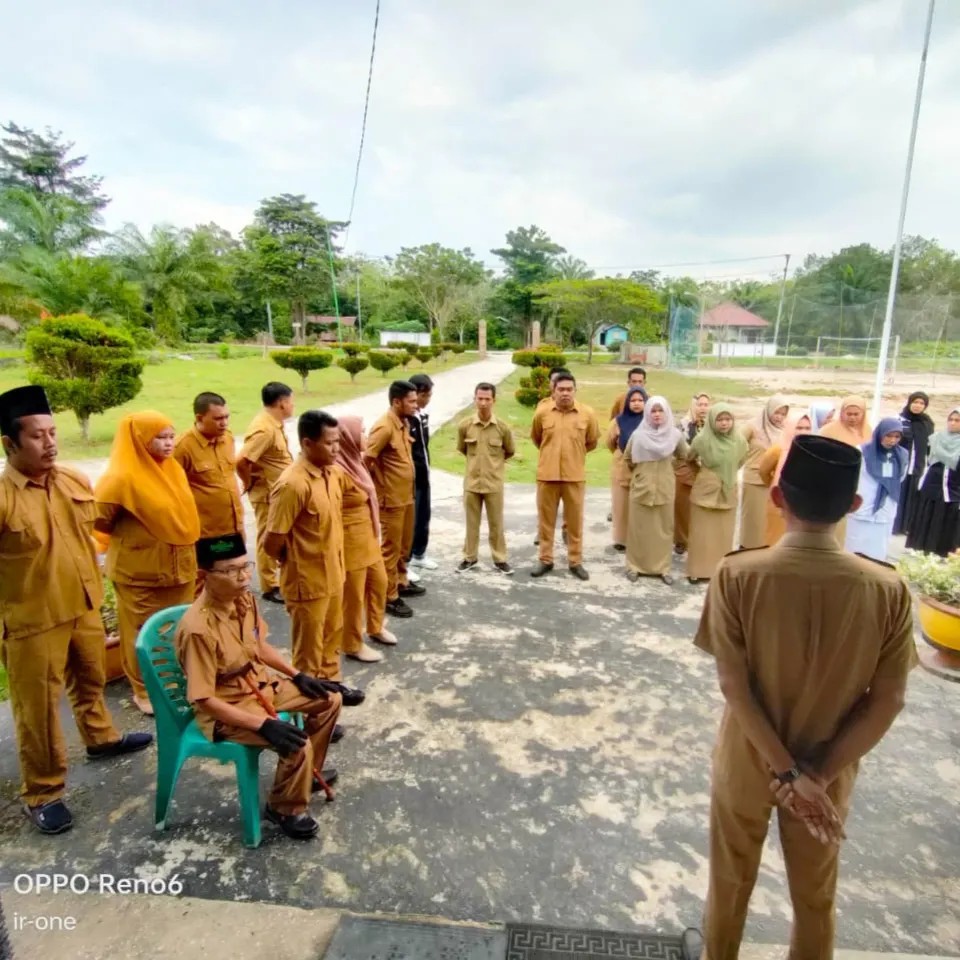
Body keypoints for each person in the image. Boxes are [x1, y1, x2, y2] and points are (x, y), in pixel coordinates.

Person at [686, 434, 916, 958]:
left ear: (776, 498)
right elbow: (889, 699)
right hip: (827, 771)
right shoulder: (887, 589)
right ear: (853, 506)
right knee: (815, 898)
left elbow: (733, 685)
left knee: (729, 885)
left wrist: (784, 771)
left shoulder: (738, 573)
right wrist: (814, 778)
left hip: (747, 760)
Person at [0, 386, 152, 836]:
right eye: (36, 436)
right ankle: (43, 791)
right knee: (39, 710)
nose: (49, 443)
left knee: (90, 679)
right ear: (10, 444)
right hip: (32, 620)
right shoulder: (4, 497)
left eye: (52, 432)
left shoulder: (72, 480)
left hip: (84, 604)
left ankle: (101, 739)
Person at [175, 533, 342, 840]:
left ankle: (303, 778)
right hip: (227, 707)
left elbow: (259, 646)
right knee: (296, 740)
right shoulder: (198, 629)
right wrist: (263, 725)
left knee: (329, 698)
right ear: (204, 576)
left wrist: (298, 675)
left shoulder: (244, 598)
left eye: (245, 566)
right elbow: (203, 699)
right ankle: (283, 808)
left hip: (258, 685)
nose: (242, 577)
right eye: (229, 571)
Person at [95, 411, 201, 715]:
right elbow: (98, 521)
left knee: (178, 627)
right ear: (141, 440)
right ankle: (143, 689)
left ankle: (177, 682)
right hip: (140, 572)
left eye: (171, 436)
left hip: (179, 568)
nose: (170, 444)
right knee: (141, 632)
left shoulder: (172, 470)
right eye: (161, 437)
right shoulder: (119, 478)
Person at [265, 411, 355, 690]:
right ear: (307, 443)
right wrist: (296, 562)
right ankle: (309, 713)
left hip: (334, 577)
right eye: (330, 443)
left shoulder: (333, 472)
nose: (337, 449)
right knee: (308, 653)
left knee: (331, 641)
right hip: (307, 584)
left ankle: (331, 696)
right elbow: (272, 542)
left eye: (338, 441)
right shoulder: (293, 484)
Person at [336, 415, 397, 664]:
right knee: (353, 597)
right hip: (351, 543)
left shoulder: (356, 463)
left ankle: (375, 626)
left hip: (369, 538)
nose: (366, 437)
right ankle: (351, 643)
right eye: (361, 432)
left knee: (379, 583)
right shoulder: (337, 471)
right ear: (348, 437)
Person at [530, 372, 599, 581]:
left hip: (574, 476)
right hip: (547, 476)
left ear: (575, 391)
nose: (565, 393)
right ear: (554, 391)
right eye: (561, 389)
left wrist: (574, 456)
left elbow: (592, 441)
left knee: (575, 522)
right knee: (545, 522)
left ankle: (575, 561)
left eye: (569, 389)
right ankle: (545, 559)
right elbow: (537, 438)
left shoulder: (587, 414)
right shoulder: (542, 413)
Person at [174, 392, 244, 594]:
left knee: (234, 578)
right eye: (218, 418)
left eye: (227, 417)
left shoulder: (228, 439)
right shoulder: (183, 447)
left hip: (233, 526)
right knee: (206, 582)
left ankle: (230, 622)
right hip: (207, 533)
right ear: (199, 418)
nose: (224, 423)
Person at [365, 381, 425, 618]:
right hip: (390, 500)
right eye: (411, 401)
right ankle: (388, 596)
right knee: (390, 550)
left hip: (406, 496)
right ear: (396, 402)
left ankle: (401, 581)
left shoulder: (403, 423)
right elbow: (367, 460)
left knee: (403, 546)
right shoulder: (383, 427)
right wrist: (375, 489)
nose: (416, 404)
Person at [236, 382, 294, 604]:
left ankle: (275, 579)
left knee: (278, 535)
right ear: (282, 402)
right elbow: (242, 461)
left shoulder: (273, 424)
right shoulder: (265, 429)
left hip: (277, 492)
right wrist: (249, 482)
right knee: (267, 536)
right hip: (267, 493)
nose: (292, 406)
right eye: (291, 401)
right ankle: (269, 585)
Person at [624, 396, 688, 585]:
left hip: (665, 488)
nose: (657, 414)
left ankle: (663, 568)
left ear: (666, 412)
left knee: (664, 529)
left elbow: (683, 455)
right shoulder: (638, 435)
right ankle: (634, 566)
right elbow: (628, 458)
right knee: (638, 529)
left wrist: (669, 469)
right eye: (653, 410)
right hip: (642, 487)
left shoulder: (675, 435)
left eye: (661, 410)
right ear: (647, 413)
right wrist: (641, 475)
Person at [456, 382, 516, 574]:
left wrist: (493, 466)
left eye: (487, 399)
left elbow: (509, 451)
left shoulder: (502, 428)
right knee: (471, 524)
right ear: (474, 399)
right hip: (472, 483)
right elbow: (462, 449)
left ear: (494, 400)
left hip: (493, 484)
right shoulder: (465, 426)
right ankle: (469, 557)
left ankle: (500, 559)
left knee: (496, 524)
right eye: (479, 398)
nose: (483, 403)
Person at [685, 404, 748, 584]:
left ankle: (719, 571)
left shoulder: (740, 441)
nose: (724, 423)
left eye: (728, 419)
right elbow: (689, 458)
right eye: (720, 419)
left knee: (723, 533)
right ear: (713, 420)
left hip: (728, 490)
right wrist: (703, 473)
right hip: (704, 490)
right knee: (701, 533)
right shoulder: (702, 440)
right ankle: (696, 570)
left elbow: (741, 460)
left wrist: (727, 473)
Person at [845, 418, 907, 562]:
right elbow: (852, 476)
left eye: (897, 437)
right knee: (855, 548)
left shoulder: (902, 455)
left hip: (886, 507)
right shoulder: (862, 451)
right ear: (880, 434)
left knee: (878, 549)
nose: (892, 440)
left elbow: (901, 478)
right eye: (889, 435)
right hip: (863, 504)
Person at [905, 407, 960, 558]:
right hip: (932, 482)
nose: (953, 423)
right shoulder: (936, 438)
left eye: (957, 420)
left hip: (953, 486)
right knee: (927, 513)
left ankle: (942, 551)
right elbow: (929, 459)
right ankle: (919, 547)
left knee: (947, 518)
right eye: (951, 419)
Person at [739, 396, 789, 549]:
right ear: (768, 411)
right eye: (776, 413)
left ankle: (764, 550)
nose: (779, 417)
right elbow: (736, 445)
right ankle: (747, 548)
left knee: (768, 520)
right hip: (753, 480)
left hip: (773, 482)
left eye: (782, 414)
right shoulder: (752, 427)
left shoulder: (785, 429)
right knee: (752, 519)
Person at [757, 412, 813, 546]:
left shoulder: (812, 451)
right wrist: (773, 485)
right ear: (790, 428)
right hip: (778, 504)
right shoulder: (778, 450)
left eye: (807, 428)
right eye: (799, 428)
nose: (803, 432)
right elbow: (763, 471)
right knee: (775, 541)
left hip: (802, 507)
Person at [606, 387, 646, 552]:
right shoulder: (618, 421)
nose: (636, 404)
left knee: (640, 504)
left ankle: (639, 537)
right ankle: (621, 539)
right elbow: (609, 442)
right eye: (633, 400)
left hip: (643, 467)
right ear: (627, 403)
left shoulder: (650, 421)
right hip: (622, 465)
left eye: (640, 400)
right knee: (621, 503)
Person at [893, 391, 935, 536]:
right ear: (909, 402)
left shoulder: (927, 423)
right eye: (915, 402)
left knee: (911, 497)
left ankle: (906, 527)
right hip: (900, 466)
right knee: (898, 495)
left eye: (921, 403)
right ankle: (894, 525)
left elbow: (930, 445)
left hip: (917, 467)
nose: (917, 406)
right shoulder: (899, 420)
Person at [406, 373, 435, 575]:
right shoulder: (405, 420)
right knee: (410, 522)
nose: (429, 399)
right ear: (419, 393)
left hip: (424, 477)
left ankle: (419, 555)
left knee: (424, 518)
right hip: (410, 480)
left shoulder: (422, 416)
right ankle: (404, 564)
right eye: (428, 395)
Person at [674, 393, 710, 555]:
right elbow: (678, 449)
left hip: (705, 473)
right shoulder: (682, 425)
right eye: (699, 404)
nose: (703, 408)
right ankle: (681, 540)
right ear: (692, 406)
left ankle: (697, 539)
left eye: (705, 404)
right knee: (682, 508)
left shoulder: (712, 425)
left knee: (700, 509)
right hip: (685, 471)